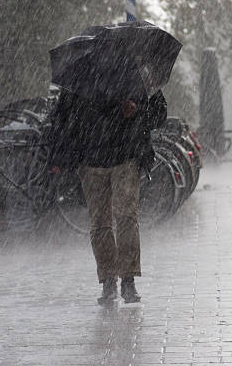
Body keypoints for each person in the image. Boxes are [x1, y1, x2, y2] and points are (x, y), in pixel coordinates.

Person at [48, 63, 167, 305]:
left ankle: (126, 280)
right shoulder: (85, 78)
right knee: (104, 222)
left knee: (122, 218)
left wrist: (137, 109)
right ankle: (111, 281)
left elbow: (157, 116)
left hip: (122, 157)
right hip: (93, 161)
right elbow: (63, 119)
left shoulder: (133, 75)